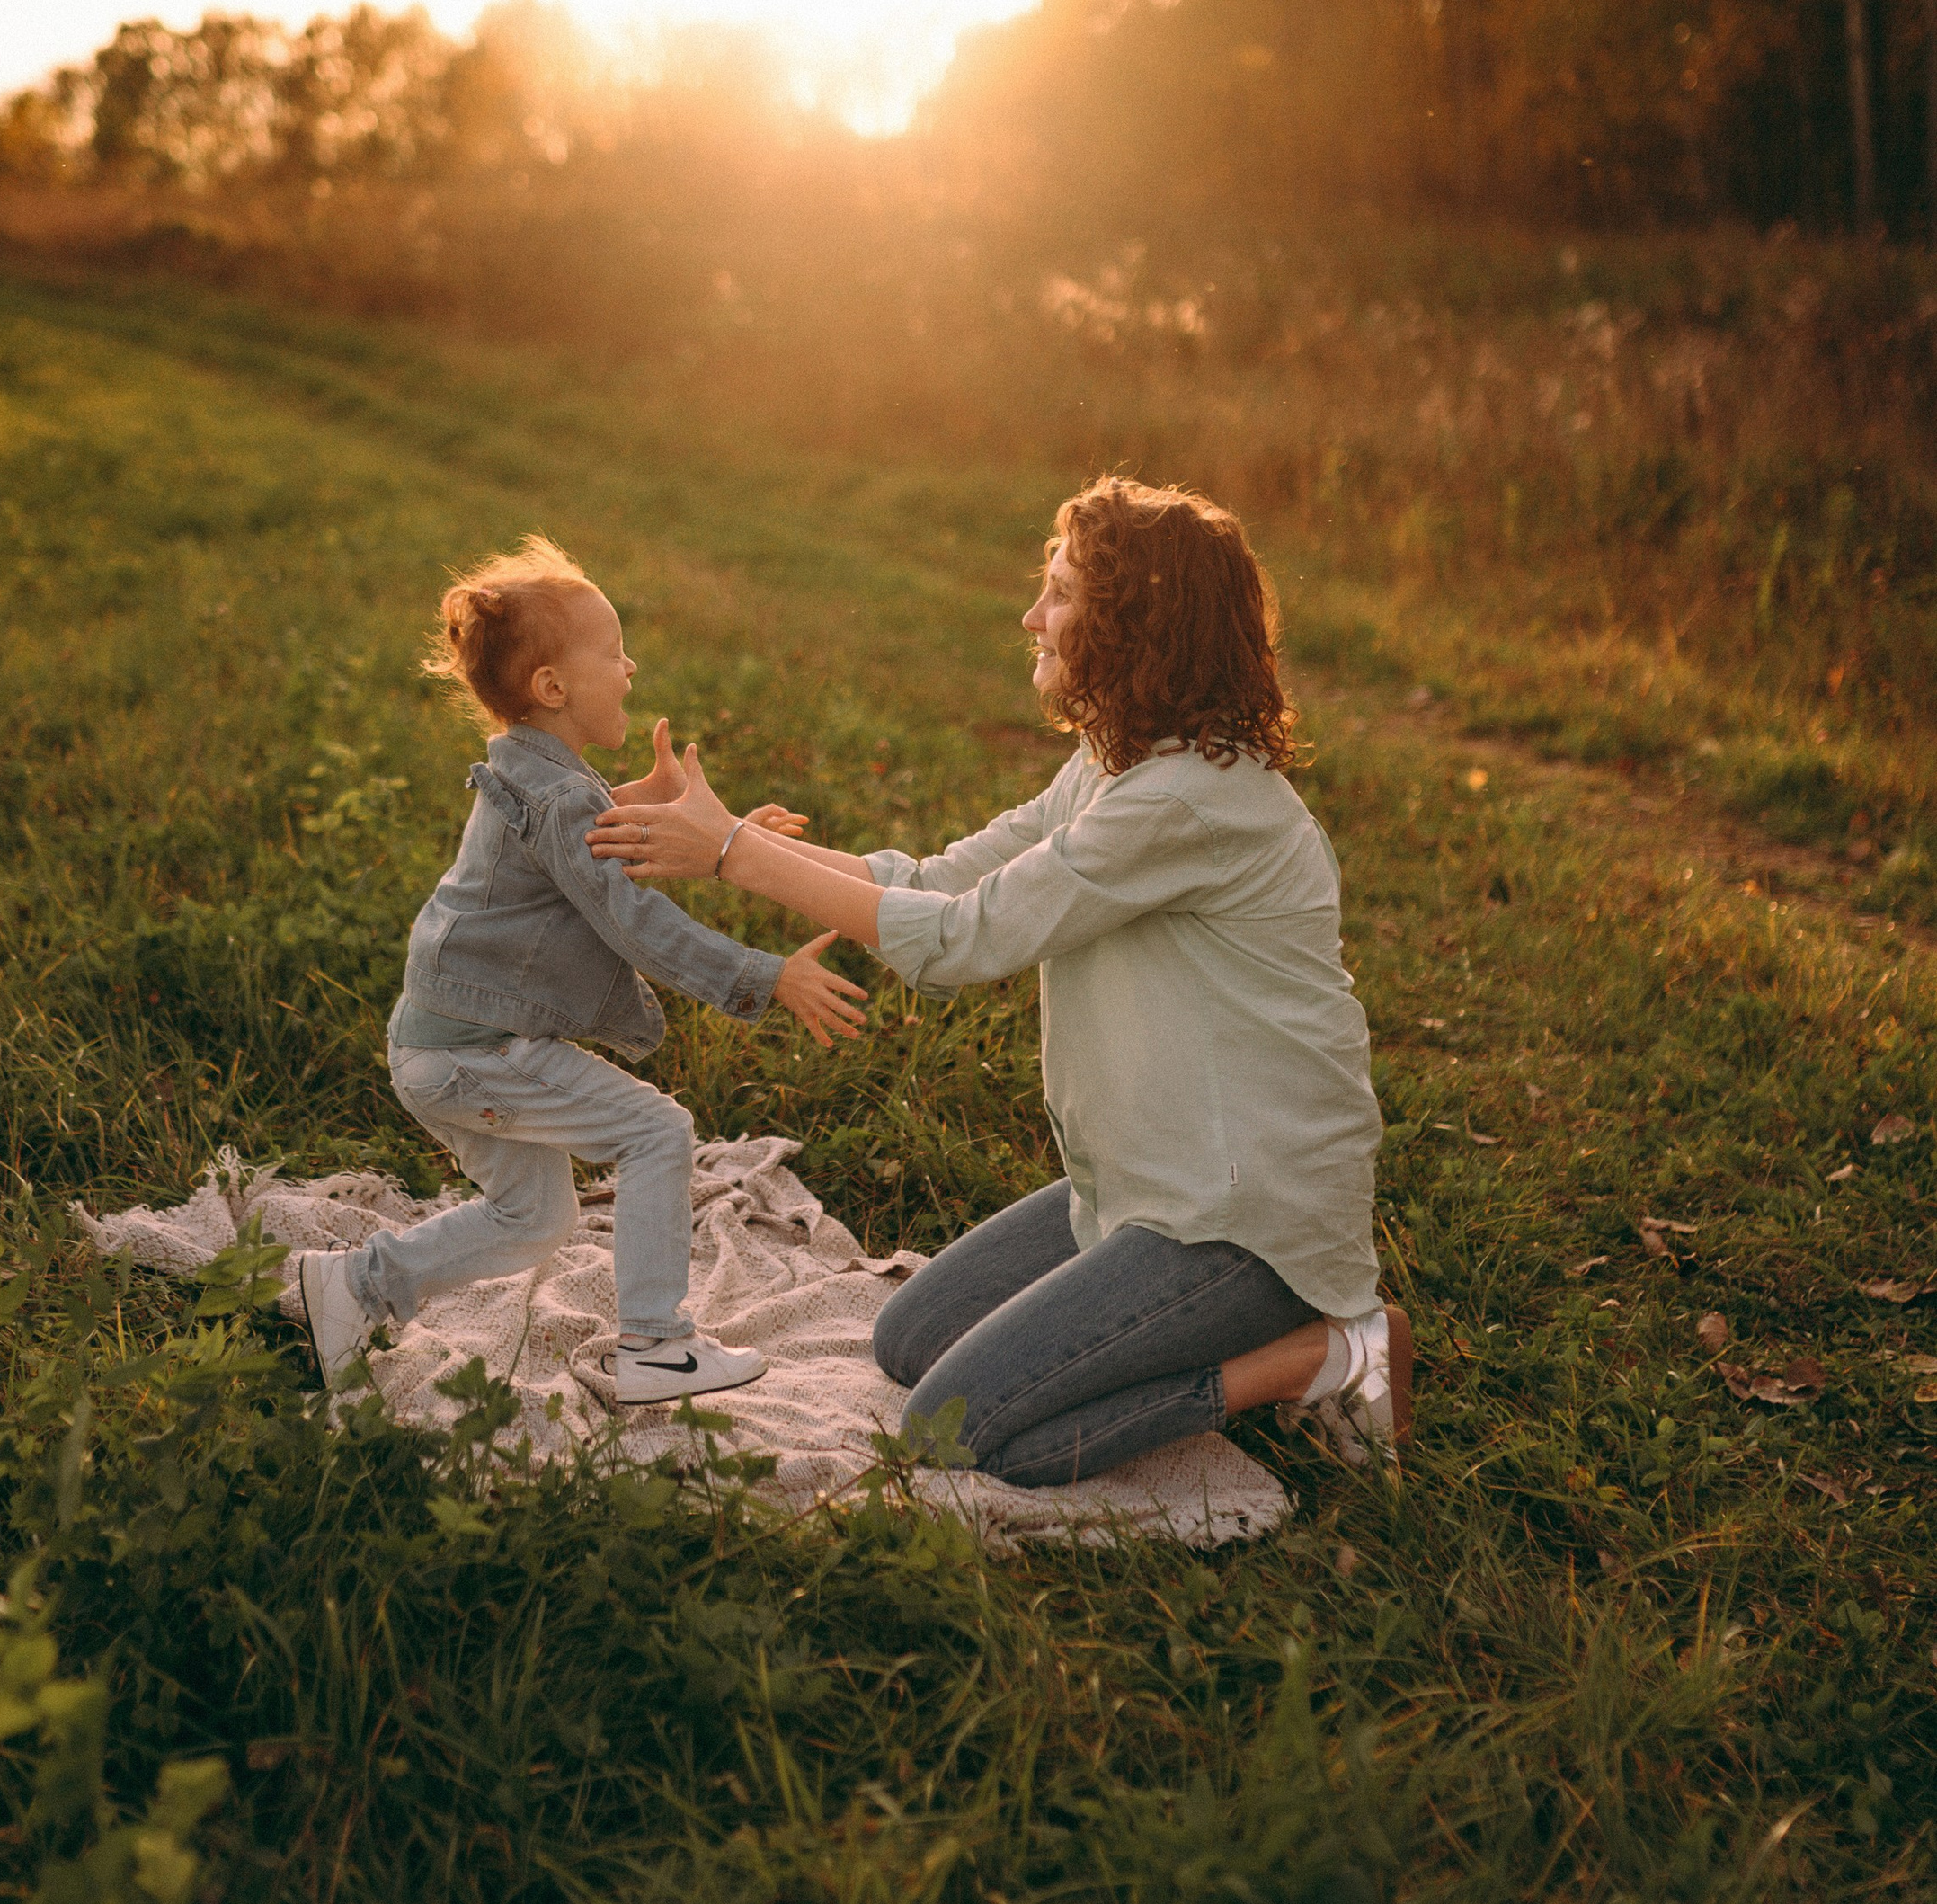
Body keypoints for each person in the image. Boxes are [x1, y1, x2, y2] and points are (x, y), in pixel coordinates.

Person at [585, 477, 1408, 1486]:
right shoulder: (1124, 765)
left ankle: (1321, 1354)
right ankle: (1201, 1335)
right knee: (905, 1337)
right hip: (1142, 1184)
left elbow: (959, 943)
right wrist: (737, 839)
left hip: (1247, 1221)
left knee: (950, 1430)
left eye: (1059, 594)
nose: (1031, 616)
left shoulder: (1191, 803)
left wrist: (729, 856)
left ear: (1134, 626)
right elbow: (934, 883)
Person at [295, 537, 864, 1407]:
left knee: (536, 1217)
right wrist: (766, 976)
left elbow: (578, 828)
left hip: (443, 1039)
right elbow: (638, 922)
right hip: (475, 1050)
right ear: (553, 688)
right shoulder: (562, 797)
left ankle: (352, 1286)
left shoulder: (537, 767)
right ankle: (656, 1347)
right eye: (612, 650)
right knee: (657, 1133)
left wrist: (655, 801)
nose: (630, 665)